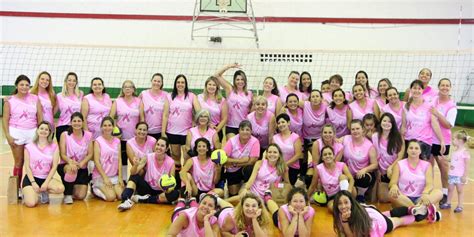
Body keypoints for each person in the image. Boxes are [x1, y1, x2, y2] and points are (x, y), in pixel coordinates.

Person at [333, 190, 440, 237]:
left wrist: (345, 221)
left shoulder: (360, 221)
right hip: (370, 210)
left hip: (378, 222)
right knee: (389, 213)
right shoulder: (344, 213)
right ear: (336, 206)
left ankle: (425, 213)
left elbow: (351, 236)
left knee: (398, 221)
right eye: (340, 204)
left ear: (351, 202)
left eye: (346, 202)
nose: (343, 206)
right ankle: (411, 209)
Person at [118, 137, 180, 211]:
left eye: (162, 146)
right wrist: (135, 165)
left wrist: (165, 188)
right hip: (147, 189)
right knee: (134, 176)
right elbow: (133, 172)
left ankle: (144, 199)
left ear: (166, 149)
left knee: (175, 194)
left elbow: (172, 183)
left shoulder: (171, 162)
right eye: (158, 144)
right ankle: (125, 200)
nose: (159, 147)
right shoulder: (148, 157)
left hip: (161, 191)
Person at [2, 75, 43, 186]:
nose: (24, 87)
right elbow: (5, 119)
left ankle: (33, 186)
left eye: (26, 85)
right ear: (16, 85)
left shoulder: (35, 98)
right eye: (21, 85)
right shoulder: (9, 100)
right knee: (19, 162)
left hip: (32, 132)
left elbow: (40, 116)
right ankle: (17, 189)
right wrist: (8, 136)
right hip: (16, 132)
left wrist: (41, 134)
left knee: (33, 162)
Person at [389, 140, 443, 208]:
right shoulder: (399, 164)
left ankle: (413, 209)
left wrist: (425, 193)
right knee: (391, 195)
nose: (413, 150)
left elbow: (430, 184)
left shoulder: (427, 165)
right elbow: (392, 182)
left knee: (439, 193)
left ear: (420, 151)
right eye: (411, 148)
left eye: (416, 148)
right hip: (404, 198)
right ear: (407, 150)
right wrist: (394, 186)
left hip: (420, 197)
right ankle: (418, 208)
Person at [22, 121, 65, 207]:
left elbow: (54, 166)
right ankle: (30, 193)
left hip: (46, 178)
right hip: (31, 179)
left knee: (60, 188)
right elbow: (27, 166)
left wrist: (46, 182)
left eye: (46, 129)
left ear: (49, 132)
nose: (43, 131)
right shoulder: (29, 146)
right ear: (37, 130)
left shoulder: (54, 146)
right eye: (41, 128)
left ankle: (43, 191)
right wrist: (33, 182)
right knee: (31, 203)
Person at [166, 74, 199, 183]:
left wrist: (196, 122)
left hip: (187, 132)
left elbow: (199, 111)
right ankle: (176, 182)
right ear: (175, 84)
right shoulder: (170, 96)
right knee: (175, 157)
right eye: (178, 82)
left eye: (182, 82)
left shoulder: (191, 96)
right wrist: (163, 132)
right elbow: (165, 115)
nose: (180, 84)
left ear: (185, 84)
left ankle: (185, 181)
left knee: (187, 157)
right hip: (172, 131)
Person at [401, 80, 445, 161]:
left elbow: (435, 124)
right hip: (409, 140)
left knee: (422, 170)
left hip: (424, 142)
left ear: (422, 90)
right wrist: (401, 140)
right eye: (414, 88)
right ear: (410, 90)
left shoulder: (429, 106)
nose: (416, 90)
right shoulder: (406, 106)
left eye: (419, 88)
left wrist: (442, 140)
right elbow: (403, 126)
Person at [431, 78, 457, 204]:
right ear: (439, 86)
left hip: (443, 141)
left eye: (447, 85)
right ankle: (428, 191)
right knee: (428, 166)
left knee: (443, 166)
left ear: (450, 88)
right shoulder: (433, 100)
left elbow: (448, 125)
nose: (445, 87)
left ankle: (445, 193)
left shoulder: (451, 106)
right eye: (442, 85)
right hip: (429, 138)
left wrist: (437, 114)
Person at [58, 112, 93, 204]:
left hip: (81, 166)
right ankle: (67, 194)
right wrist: (71, 162)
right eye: (74, 121)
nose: (77, 123)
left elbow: (90, 154)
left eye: (79, 121)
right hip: (66, 165)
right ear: (71, 122)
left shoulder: (88, 135)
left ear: (82, 122)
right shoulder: (65, 135)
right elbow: (62, 154)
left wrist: (82, 163)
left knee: (80, 196)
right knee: (71, 170)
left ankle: (69, 184)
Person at [110, 80, 141, 181]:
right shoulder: (117, 101)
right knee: (123, 159)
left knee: (135, 160)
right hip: (121, 138)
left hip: (135, 138)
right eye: (125, 87)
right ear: (122, 89)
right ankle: (123, 179)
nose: (127, 89)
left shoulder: (139, 101)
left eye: (130, 87)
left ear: (133, 89)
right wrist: (115, 130)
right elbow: (111, 117)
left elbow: (142, 118)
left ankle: (136, 181)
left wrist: (142, 132)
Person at [308, 146, 354, 212]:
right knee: (330, 208)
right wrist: (306, 199)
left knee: (342, 177)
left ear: (334, 156)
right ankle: (347, 207)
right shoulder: (318, 168)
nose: (327, 156)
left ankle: (347, 201)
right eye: (325, 154)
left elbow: (351, 179)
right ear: (322, 158)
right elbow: (312, 186)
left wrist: (349, 190)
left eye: (330, 154)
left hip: (347, 192)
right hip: (332, 196)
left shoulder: (342, 165)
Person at [342, 119, 378, 203]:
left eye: (357, 128)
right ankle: (345, 196)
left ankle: (360, 195)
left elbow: (375, 164)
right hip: (348, 173)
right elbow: (334, 141)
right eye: (353, 129)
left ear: (362, 130)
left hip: (360, 175)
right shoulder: (346, 139)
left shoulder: (369, 145)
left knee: (365, 178)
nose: (355, 131)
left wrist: (364, 170)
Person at [215, 63, 253, 140]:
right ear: (234, 81)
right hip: (231, 126)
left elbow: (251, 111)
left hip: (244, 126)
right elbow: (216, 75)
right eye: (237, 79)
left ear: (245, 81)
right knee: (232, 148)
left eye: (242, 79)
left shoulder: (249, 94)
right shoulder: (230, 89)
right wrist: (229, 66)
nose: (240, 81)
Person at [372, 113, 405, 203]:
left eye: (389, 121)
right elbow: (374, 155)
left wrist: (391, 167)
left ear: (393, 124)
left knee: (395, 196)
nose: (386, 123)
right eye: (384, 121)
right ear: (380, 122)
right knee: (382, 198)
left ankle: (399, 189)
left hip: (393, 170)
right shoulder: (375, 136)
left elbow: (400, 156)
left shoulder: (398, 137)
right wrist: (377, 170)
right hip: (382, 171)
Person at [223, 120, 260, 197]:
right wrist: (239, 161)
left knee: (250, 168)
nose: (245, 132)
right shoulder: (232, 141)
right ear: (238, 131)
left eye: (247, 130)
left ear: (251, 131)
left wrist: (233, 163)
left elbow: (252, 161)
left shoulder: (255, 141)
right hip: (233, 169)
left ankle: (248, 186)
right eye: (242, 129)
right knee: (233, 194)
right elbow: (224, 159)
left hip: (244, 168)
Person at [91, 116, 124, 201]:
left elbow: (120, 160)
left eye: (109, 125)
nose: (107, 127)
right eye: (105, 125)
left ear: (113, 127)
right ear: (101, 127)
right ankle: (94, 189)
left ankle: (111, 188)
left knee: (121, 196)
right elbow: (97, 161)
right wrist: (105, 178)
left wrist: (120, 177)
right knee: (111, 197)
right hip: (101, 176)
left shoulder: (117, 141)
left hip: (114, 175)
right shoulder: (98, 141)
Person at [440, 131, 471, 213]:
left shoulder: (464, 152)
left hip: (459, 176)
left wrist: (464, 176)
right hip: (452, 174)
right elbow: (453, 160)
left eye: (453, 139)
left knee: (459, 191)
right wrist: (444, 158)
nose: (452, 141)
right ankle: (448, 203)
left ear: (460, 140)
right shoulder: (455, 151)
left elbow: (467, 165)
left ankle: (460, 205)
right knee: (450, 189)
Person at [273, 113, 302, 185]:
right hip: (277, 166)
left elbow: (298, 154)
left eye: (283, 122)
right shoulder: (275, 137)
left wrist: (285, 164)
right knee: (277, 186)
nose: (281, 124)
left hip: (292, 167)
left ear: (288, 123)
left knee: (287, 186)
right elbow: (272, 152)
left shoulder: (295, 137)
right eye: (279, 123)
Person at [139, 73, 169, 140]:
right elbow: (136, 106)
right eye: (155, 81)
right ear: (151, 81)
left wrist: (163, 132)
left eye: (159, 81)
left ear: (161, 83)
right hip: (146, 131)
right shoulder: (144, 94)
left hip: (161, 131)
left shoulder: (166, 95)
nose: (156, 83)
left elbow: (166, 114)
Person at [197, 76, 228, 142]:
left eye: (214, 85)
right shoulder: (199, 97)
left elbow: (224, 118)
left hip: (216, 128)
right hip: (202, 128)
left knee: (216, 152)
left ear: (217, 87)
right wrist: (208, 124)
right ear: (206, 86)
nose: (211, 87)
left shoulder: (222, 100)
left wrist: (216, 130)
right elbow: (197, 114)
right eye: (209, 84)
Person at [55, 72, 83, 142]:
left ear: (76, 82)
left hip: (77, 126)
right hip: (62, 126)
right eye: (69, 80)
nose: (71, 82)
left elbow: (83, 112)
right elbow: (52, 112)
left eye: (74, 80)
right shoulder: (59, 96)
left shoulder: (80, 94)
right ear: (66, 81)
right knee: (63, 151)